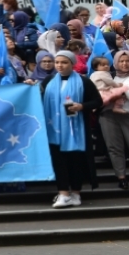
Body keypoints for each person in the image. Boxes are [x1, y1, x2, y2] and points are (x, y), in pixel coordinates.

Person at [37, 50, 101, 208]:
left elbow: (97, 101)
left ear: (72, 64)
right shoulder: (49, 81)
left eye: (64, 62)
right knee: (59, 161)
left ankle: (76, 193)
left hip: (76, 130)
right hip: (54, 129)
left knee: (76, 162)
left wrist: (82, 106)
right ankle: (63, 193)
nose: (60, 65)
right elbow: (37, 98)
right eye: (57, 62)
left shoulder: (84, 81)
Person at [102, 51, 129, 190]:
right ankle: (121, 177)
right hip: (108, 115)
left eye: (128, 61)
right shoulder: (108, 77)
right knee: (114, 147)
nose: (124, 64)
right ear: (115, 63)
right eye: (121, 61)